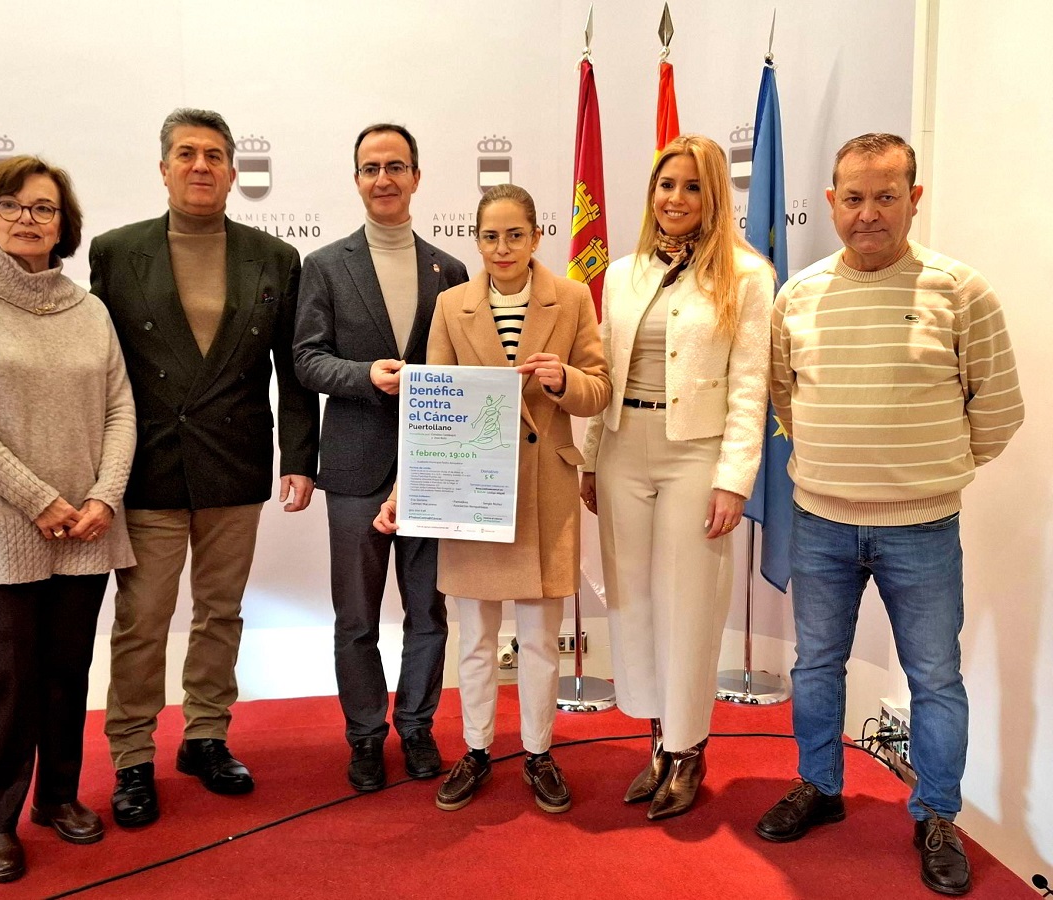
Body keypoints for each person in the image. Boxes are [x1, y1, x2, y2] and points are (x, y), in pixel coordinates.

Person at [754, 133, 1024, 897]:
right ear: (833, 199)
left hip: (924, 528)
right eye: (852, 197)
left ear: (914, 198)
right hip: (821, 523)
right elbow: (786, 398)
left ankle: (936, 813)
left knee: (936, 678)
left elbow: (999, 410)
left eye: (885, 196)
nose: (867, 213)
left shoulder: (960, 291)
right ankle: (820, 785)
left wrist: (929, 471)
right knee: (814, 665)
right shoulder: (797, 295)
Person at [89, 108, 319, 828]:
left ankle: (206, 736)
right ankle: (130, 755)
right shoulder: (114, 251)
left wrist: (299, 458)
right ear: (163, 168)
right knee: (143, 619)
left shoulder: (274, 258)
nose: (200, 165)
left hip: (234, 459)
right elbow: (99, 370)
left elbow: (294, 370)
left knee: (221, 612)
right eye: (185, 153)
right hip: (148, 464)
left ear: (232, 171)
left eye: (214, 155)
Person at [0, 156, 137, 883]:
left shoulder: (90, 310)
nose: (25, 219)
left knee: (65, 673)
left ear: (64, 225)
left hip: (84, 528)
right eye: (10, 205)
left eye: (42, 208)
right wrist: (38, 499)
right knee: (5, 678)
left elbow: (119, 409)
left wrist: (104, 496)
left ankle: (57, 797)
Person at [374, 184, 609, 814]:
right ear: (475, 240)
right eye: (489, 236)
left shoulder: (575, 298)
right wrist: (406, 488)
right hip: (468, 487)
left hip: (545, 491)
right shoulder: (452, 305)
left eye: (514, 234)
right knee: (473, 637)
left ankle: (538, 751)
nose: (501, 248)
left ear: (536, 236)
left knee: (537, 637)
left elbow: (601, 390)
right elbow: (433, 411)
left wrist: (566, 381)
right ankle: (476, 749)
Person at [580, 133, 774, 820]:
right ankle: (657, 740)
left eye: (692, 187)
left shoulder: (748, 276)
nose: (676, 199)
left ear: (714, 195)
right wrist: (588, 455)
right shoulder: (626, 271)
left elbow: (752, 386)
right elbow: (600, 367)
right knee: (633, 600)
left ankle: (691, 749)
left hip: (697, 452)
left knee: (688, 603)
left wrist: (734, 480)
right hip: (622, 447)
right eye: (667, 185)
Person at [294, 124, 469, 791]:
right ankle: (365, 737)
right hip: (356, 469)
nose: (384, 179)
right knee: (357, 616)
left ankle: (418, 729)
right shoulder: (325, 266)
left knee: (428, 612)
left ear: (417, 177)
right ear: (357, 179)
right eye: (371, 168)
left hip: (435, 468)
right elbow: (306, 360)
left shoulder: (449, 271)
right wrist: (367, 375)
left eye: (396, 166)